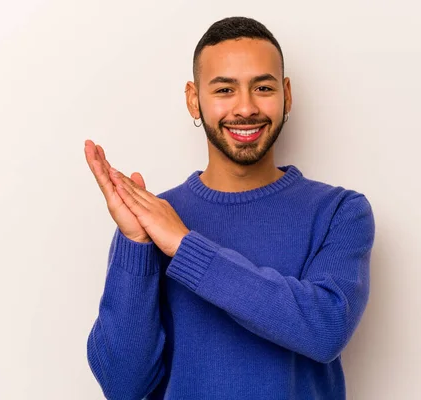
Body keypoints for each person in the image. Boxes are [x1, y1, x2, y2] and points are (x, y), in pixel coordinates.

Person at [84, 16, 375, 400]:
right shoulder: (153, 219)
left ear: (287, 94)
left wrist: (185, 247)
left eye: (263, 87)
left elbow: (325, 330)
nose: (246, 107)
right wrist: (135, 243)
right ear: (194, 99)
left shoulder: (340, 212)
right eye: (224, 89)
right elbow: (123, 387)